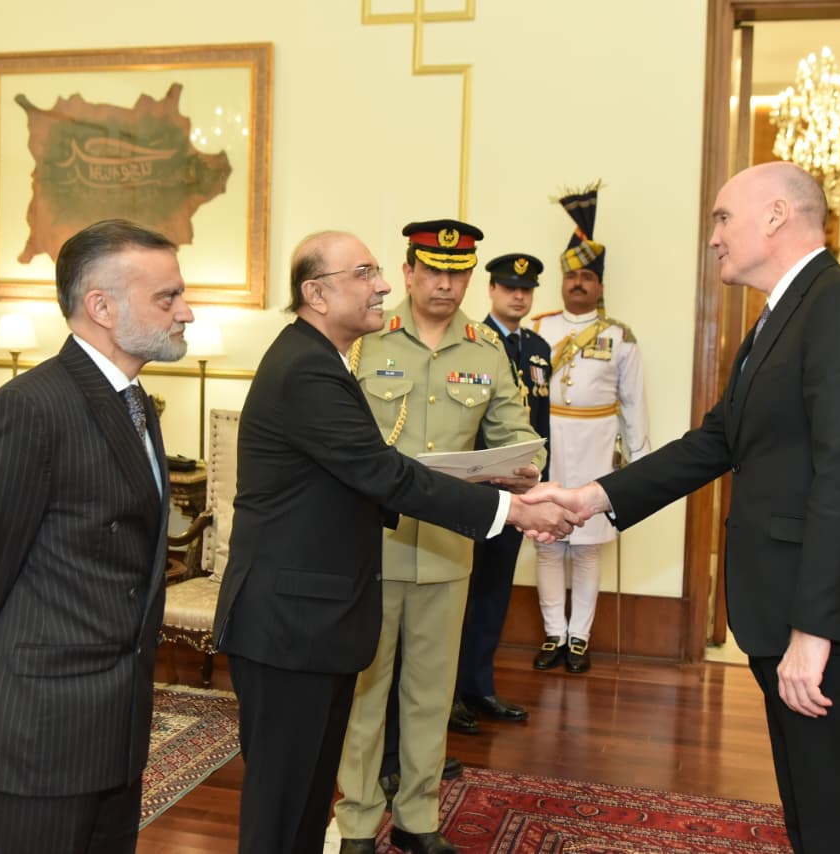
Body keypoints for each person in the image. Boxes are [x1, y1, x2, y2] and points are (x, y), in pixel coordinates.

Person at [524, 161, 840, 854]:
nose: (713, 237)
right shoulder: (782, 315)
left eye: (722, 218)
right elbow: (714, 442)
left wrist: (814, 632)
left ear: (776, 216)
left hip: (838, 625)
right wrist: (588, 495)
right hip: (795, 614)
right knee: (812, 814)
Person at [212, 230, 576, 854]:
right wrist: (508, 510)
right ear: (317, 293)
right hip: (290, 621)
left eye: (379, 271)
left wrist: (508, 490)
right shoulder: (309, 370)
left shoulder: (324, 358)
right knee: (281, 804)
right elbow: (384, 472)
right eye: (365, 273)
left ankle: (413, 816)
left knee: (303, 797)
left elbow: (380, 470)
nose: (382, 284)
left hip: (319, 611)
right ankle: (358, 820)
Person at [0, 219, 194, 853]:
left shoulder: (133, 402)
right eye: (167, 297)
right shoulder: (29, 409)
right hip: (37, 737)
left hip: (111, 732)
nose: (187, 311)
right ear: (101, 307)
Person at [336, 220, 548, 854]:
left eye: (457, 274)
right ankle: (354, 824)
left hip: (448, 550)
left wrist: (520, 470)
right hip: (370, 548)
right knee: (365, 692)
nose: (445, 284)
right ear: (407, 273)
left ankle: (417, 820)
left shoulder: (488, 351)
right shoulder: (366, 343)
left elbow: (517, 440)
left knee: (431, 693)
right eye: (432, 271)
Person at [530, 184, 650, 674]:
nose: (578, 283)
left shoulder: (619, 336)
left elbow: (635, 403)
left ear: (600, 284)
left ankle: (580, 637)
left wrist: (640, 467)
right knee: (548, 543)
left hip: (599, 447)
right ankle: (553, 633)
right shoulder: (538, 329)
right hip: (549, 444)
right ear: (561, 281)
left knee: (587, 549)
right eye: (571, 275)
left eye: (587, 276)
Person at [450, 252, 552, 733]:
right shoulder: (470, 342)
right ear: (489, 290)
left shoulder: (537, 348)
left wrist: (537, 483)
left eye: (526, 290)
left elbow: (539, 425)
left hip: (516, 491)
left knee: (493, 593)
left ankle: (478, 685)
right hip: (472, 490)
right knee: (457, 596)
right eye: (510, 288)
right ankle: (445, 694)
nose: (518, 296)